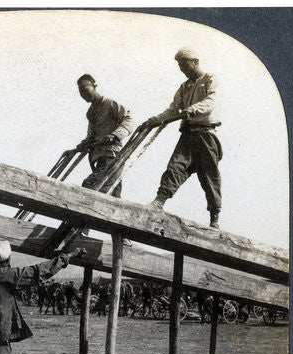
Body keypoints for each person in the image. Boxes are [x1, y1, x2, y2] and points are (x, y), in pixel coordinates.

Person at [139, 47, 223, 228]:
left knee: (209, 177)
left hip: (206, 135)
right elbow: (172, 110)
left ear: (195, 62)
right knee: (175, 167)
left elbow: (211, 101)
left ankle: (214, 219)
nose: (182, 70)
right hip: (188, 135)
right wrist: (154, 120)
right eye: (179, 66)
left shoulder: (210, 79)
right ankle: (159, 202)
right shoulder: (184, 87)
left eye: (184, 66)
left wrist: (193, 109)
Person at [74, 74, 134, 198]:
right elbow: (91, 135)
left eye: (85, 90)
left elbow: (128, 121)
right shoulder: (90, 113)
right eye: (80, 92)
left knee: (91, 185)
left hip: (112, 155)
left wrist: (114, 135)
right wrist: (84, 144)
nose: (83, 94)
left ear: (94, 86)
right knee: (113, 193)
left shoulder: (110, 104)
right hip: (99, 157)